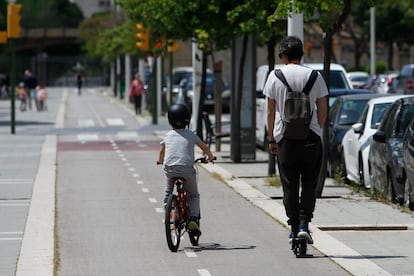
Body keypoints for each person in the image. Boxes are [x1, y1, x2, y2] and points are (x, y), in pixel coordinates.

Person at [263, 36, 328, 245]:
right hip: (311, 138)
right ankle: (304, 225)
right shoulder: (314, 76)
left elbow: (270, 113)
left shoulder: (275, 76)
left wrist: (272, 139)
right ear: (302, 54)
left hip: (285, 139)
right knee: (309, 182)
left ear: (283, 55)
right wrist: (317, 129)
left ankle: (292, 228)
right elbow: (324, 109)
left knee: (289, 185)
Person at [157, 104, 215, 234]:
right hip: (187, 169)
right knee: (193, 195)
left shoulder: (168, 135)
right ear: (187, 120)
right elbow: (204, 148)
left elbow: (162, 151)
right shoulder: (191, 134)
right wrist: (210, 157)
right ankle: (193, 218)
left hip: (170, 167)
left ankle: (168, 197)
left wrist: (160, 161)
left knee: (169, 173)